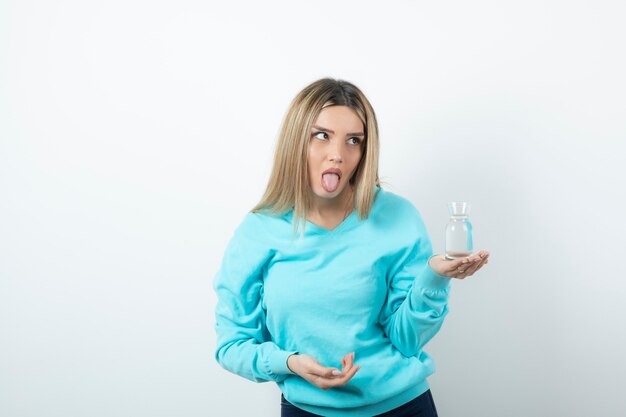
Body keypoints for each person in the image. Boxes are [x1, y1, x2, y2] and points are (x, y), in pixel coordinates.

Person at [213, 78, 490, 417]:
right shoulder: (258, 231)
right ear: (295, 141)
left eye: (353, 141)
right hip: (306, 410)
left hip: (403, 408)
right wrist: (288, 363)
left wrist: (433, 278)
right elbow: (231, 345)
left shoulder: (398, 217)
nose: (338, 155)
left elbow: (406, 339)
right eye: (322, 135)